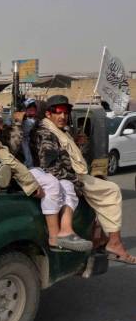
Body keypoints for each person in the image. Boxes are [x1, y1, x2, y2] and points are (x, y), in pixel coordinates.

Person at [32, 95, 134, 264]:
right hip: (68, 178)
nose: (63, 116)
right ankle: (114, 243)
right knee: (112, 191)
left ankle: (101, 237)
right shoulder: (45, 133)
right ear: (48, 114)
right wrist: (76, 182)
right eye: (58, 112)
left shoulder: (61, 131)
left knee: (104, 189)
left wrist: (79, 144)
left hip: (76, 174)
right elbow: (50, 167)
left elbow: (75, 158)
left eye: (65, 112)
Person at [0, 99, 91, 251]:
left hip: (33, 168)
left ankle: (66, 231)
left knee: (67, 185)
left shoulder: (42, 129)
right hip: (18, 172)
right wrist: (17, 124)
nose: (0, 126)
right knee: (52, 184)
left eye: (33, 112)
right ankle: (54, 237)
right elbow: (11, 154)